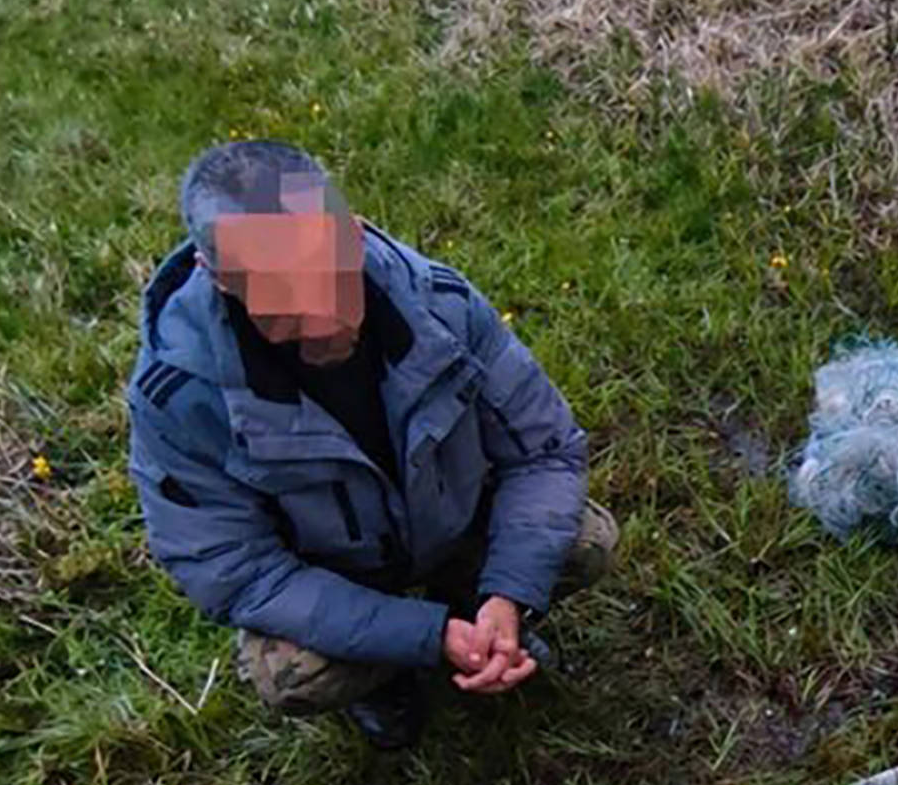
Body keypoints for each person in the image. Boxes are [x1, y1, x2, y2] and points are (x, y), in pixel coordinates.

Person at [125, 141, 617, 748]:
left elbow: (545, 450)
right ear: (216, 277)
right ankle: (386, 676)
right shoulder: (179, 396)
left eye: (329, 277)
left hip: (448, 524)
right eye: (280, 297)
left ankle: (477, 611)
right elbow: (239, 573)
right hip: (335, 577)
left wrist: (508, 594)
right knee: (292, 673)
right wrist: (425, 634)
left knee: (581, 543)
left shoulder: (441, 303)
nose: (324, 319)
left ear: (353, 233)